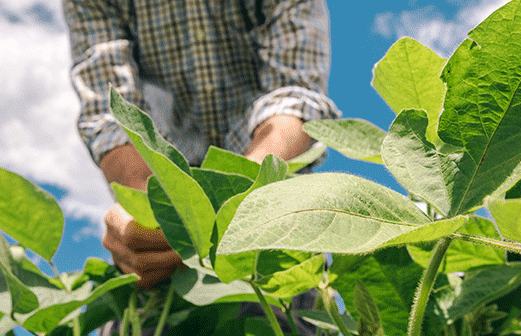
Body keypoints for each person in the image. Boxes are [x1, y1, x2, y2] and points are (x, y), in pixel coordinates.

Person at [63, 0, 340, 333]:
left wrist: (234, 200)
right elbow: (111, 115)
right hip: (166, 217)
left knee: (278, 319)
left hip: (269, 216)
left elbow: (295, 93)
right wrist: (149, 212)